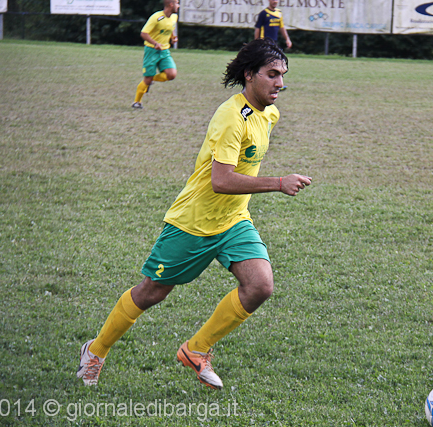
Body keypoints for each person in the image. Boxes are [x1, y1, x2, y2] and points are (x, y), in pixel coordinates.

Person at [78, 38, 312, 390]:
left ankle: (196, 349)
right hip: (193, 222)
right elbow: (221, 180)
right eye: (272, 74)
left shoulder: (270, 114)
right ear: (250, 75)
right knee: (152, 292)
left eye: (283, 75)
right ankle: (95, 351)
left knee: (260, 286)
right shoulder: (231, 117)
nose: (280, 83)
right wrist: (279, 183)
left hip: (233, 220)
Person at [131, 0, 179, 109]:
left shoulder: (174, 17)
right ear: (171, 4)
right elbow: (144, 33)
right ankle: (137, 102)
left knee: (171, 75)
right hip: (151, 51)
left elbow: (171, 27)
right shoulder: (156, 17)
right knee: (147, 79)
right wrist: (155, 43)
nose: (178, 6)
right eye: (177, 3)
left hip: (165, 51)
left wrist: (173, 37)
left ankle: (151, 80)